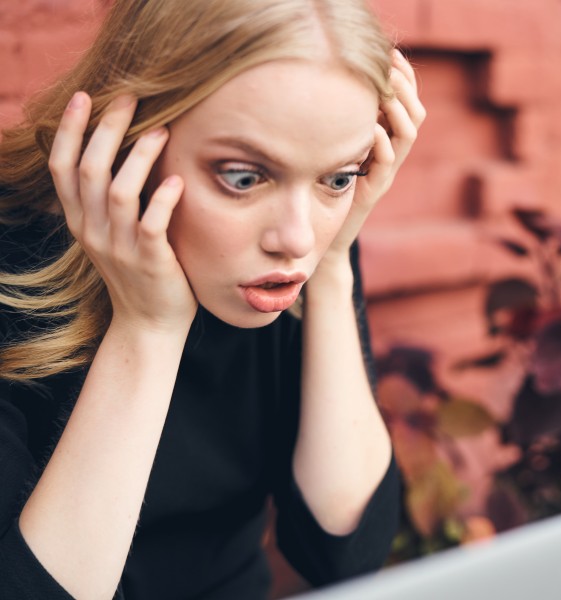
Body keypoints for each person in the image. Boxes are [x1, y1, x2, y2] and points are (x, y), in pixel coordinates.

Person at [0, 0, 425, 598]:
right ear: (129, 139)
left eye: (337, 176)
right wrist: (147, 328)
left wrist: (332, 268)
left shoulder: (303, 251)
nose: (296, 237)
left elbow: (345, 552)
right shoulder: (9, 253)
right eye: (245, 177)